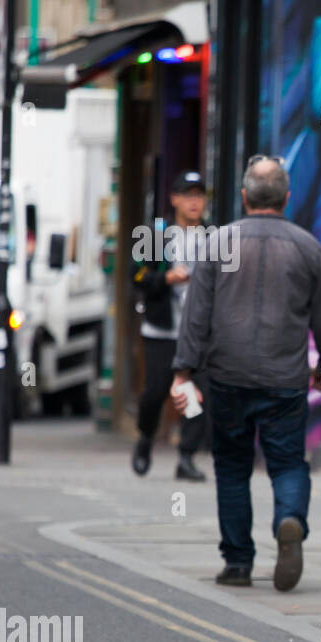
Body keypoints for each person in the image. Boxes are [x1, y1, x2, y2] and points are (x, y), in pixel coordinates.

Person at [170, 155, 321, 591]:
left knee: (231, 468)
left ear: (244, 197)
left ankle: (237, 563)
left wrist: (183, 372)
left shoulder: (217, 243)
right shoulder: (308, 247)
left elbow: (196, 315)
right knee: (287, 463)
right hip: (285, 379)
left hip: (226, 377)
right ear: (286, 198)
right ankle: (289, 518)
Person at [131, 171, 211, 481]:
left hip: (197, 333)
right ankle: (145, 438)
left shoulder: (213, 237)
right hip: (161, 330)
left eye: (199, 195)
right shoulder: (156, 235)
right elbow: (136, 276)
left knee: (196, 392)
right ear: (174, 199)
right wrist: (165, 278)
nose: (194, 201)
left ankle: (186, 456)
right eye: (187, 195)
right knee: (155, 392)